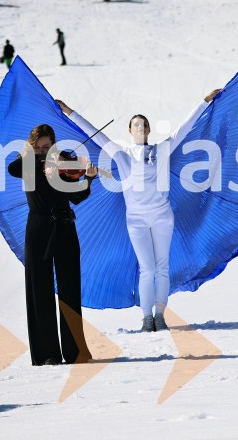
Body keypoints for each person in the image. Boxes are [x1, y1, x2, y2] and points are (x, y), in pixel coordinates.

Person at [56, 89, 222, 332]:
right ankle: (147, 318)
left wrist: (204, 102)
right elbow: (94, 134)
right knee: (147, 268)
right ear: (129, 131)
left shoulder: (162, 149)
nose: (140, 128)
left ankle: (160, 316)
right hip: (136, 219)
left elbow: (185, 128)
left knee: (162, 266)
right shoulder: (121, 154)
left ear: (149, 130)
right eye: (136, 125)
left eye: (144, 125)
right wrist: (69, 112)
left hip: (163, 217)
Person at [7, 124, 97, 365]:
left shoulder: (63, 162)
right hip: (38, 229)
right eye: (38, 147)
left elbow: (77, 196)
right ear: (31, 146)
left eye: (47, 146)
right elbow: (12, 168)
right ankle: (47, 354)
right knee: (40, 290)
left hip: (65, 226)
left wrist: (88, 178)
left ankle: (75, 351)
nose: (43, 150)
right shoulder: (26, 164)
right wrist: (38, 159)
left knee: (69, 289)